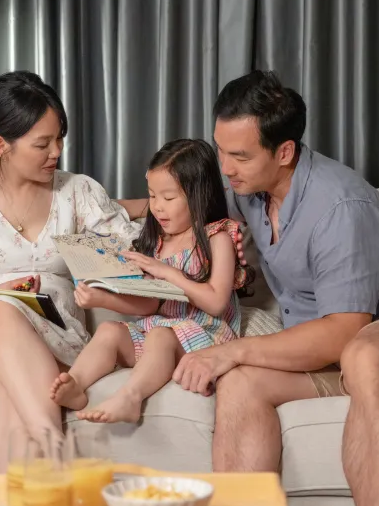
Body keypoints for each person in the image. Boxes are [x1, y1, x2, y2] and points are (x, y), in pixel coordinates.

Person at [127, 70, 379, 506]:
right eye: (221, 150)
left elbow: (346, 330)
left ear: (284, 152)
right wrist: (94, 211)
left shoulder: (342, 207)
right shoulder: (249, 191)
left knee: (363, 355)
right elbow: (181, 201)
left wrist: (229, 350)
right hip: (322, 350)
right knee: (240, 384)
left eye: (239, 156)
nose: (225, 167)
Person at [0, 70, 143, 473]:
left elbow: (133, 251)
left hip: (56, 329)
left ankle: (27, 505)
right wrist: (2, 292)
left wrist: (189, 217)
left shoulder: (77, 191)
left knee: (7, 384)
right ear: (2, 145)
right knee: (4, 310)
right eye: (43, 143)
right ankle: (56, 455)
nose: (57, 151)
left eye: (59, 138)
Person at [49, 138, 251, 424]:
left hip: (207, 336)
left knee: (159, 337)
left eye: (168, 198)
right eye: (152, 196)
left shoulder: (217, 236)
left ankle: (130, 396)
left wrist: (169, 273)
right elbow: (150, 305)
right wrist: (102, 298)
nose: (157, 207)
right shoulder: (158, 241)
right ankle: (76, 384)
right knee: (109, 330)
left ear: (198, 195)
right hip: (162, 331)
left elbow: (217, 303)